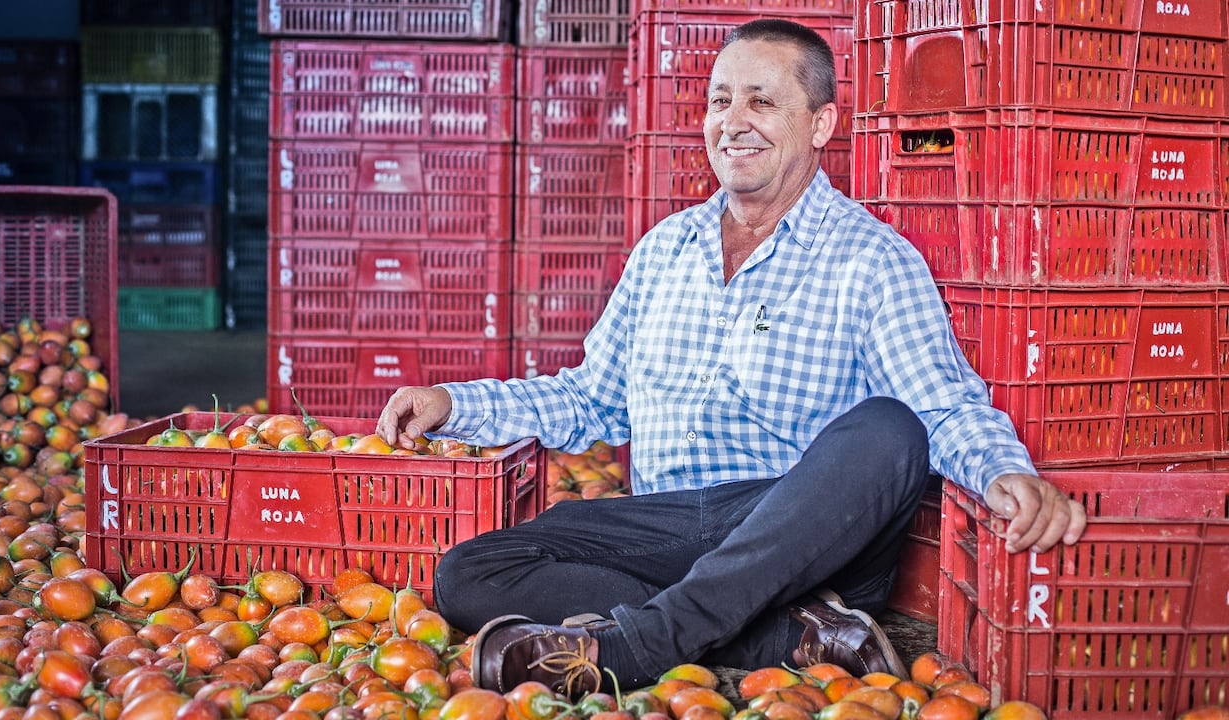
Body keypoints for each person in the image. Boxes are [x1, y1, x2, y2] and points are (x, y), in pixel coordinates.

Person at [376, 18, 1087, 695]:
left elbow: (941, 406)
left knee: (889, 431)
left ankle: (639, 645)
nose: (732, 120)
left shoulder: (870, 260)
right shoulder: (665, 250)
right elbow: (591, 396)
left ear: (820, 124)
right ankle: (788, 641)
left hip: (798, 538)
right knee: (473, 569)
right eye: (720, 100)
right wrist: (454, 404)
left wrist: (1004, 473)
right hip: (674, 524)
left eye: (762, 101)